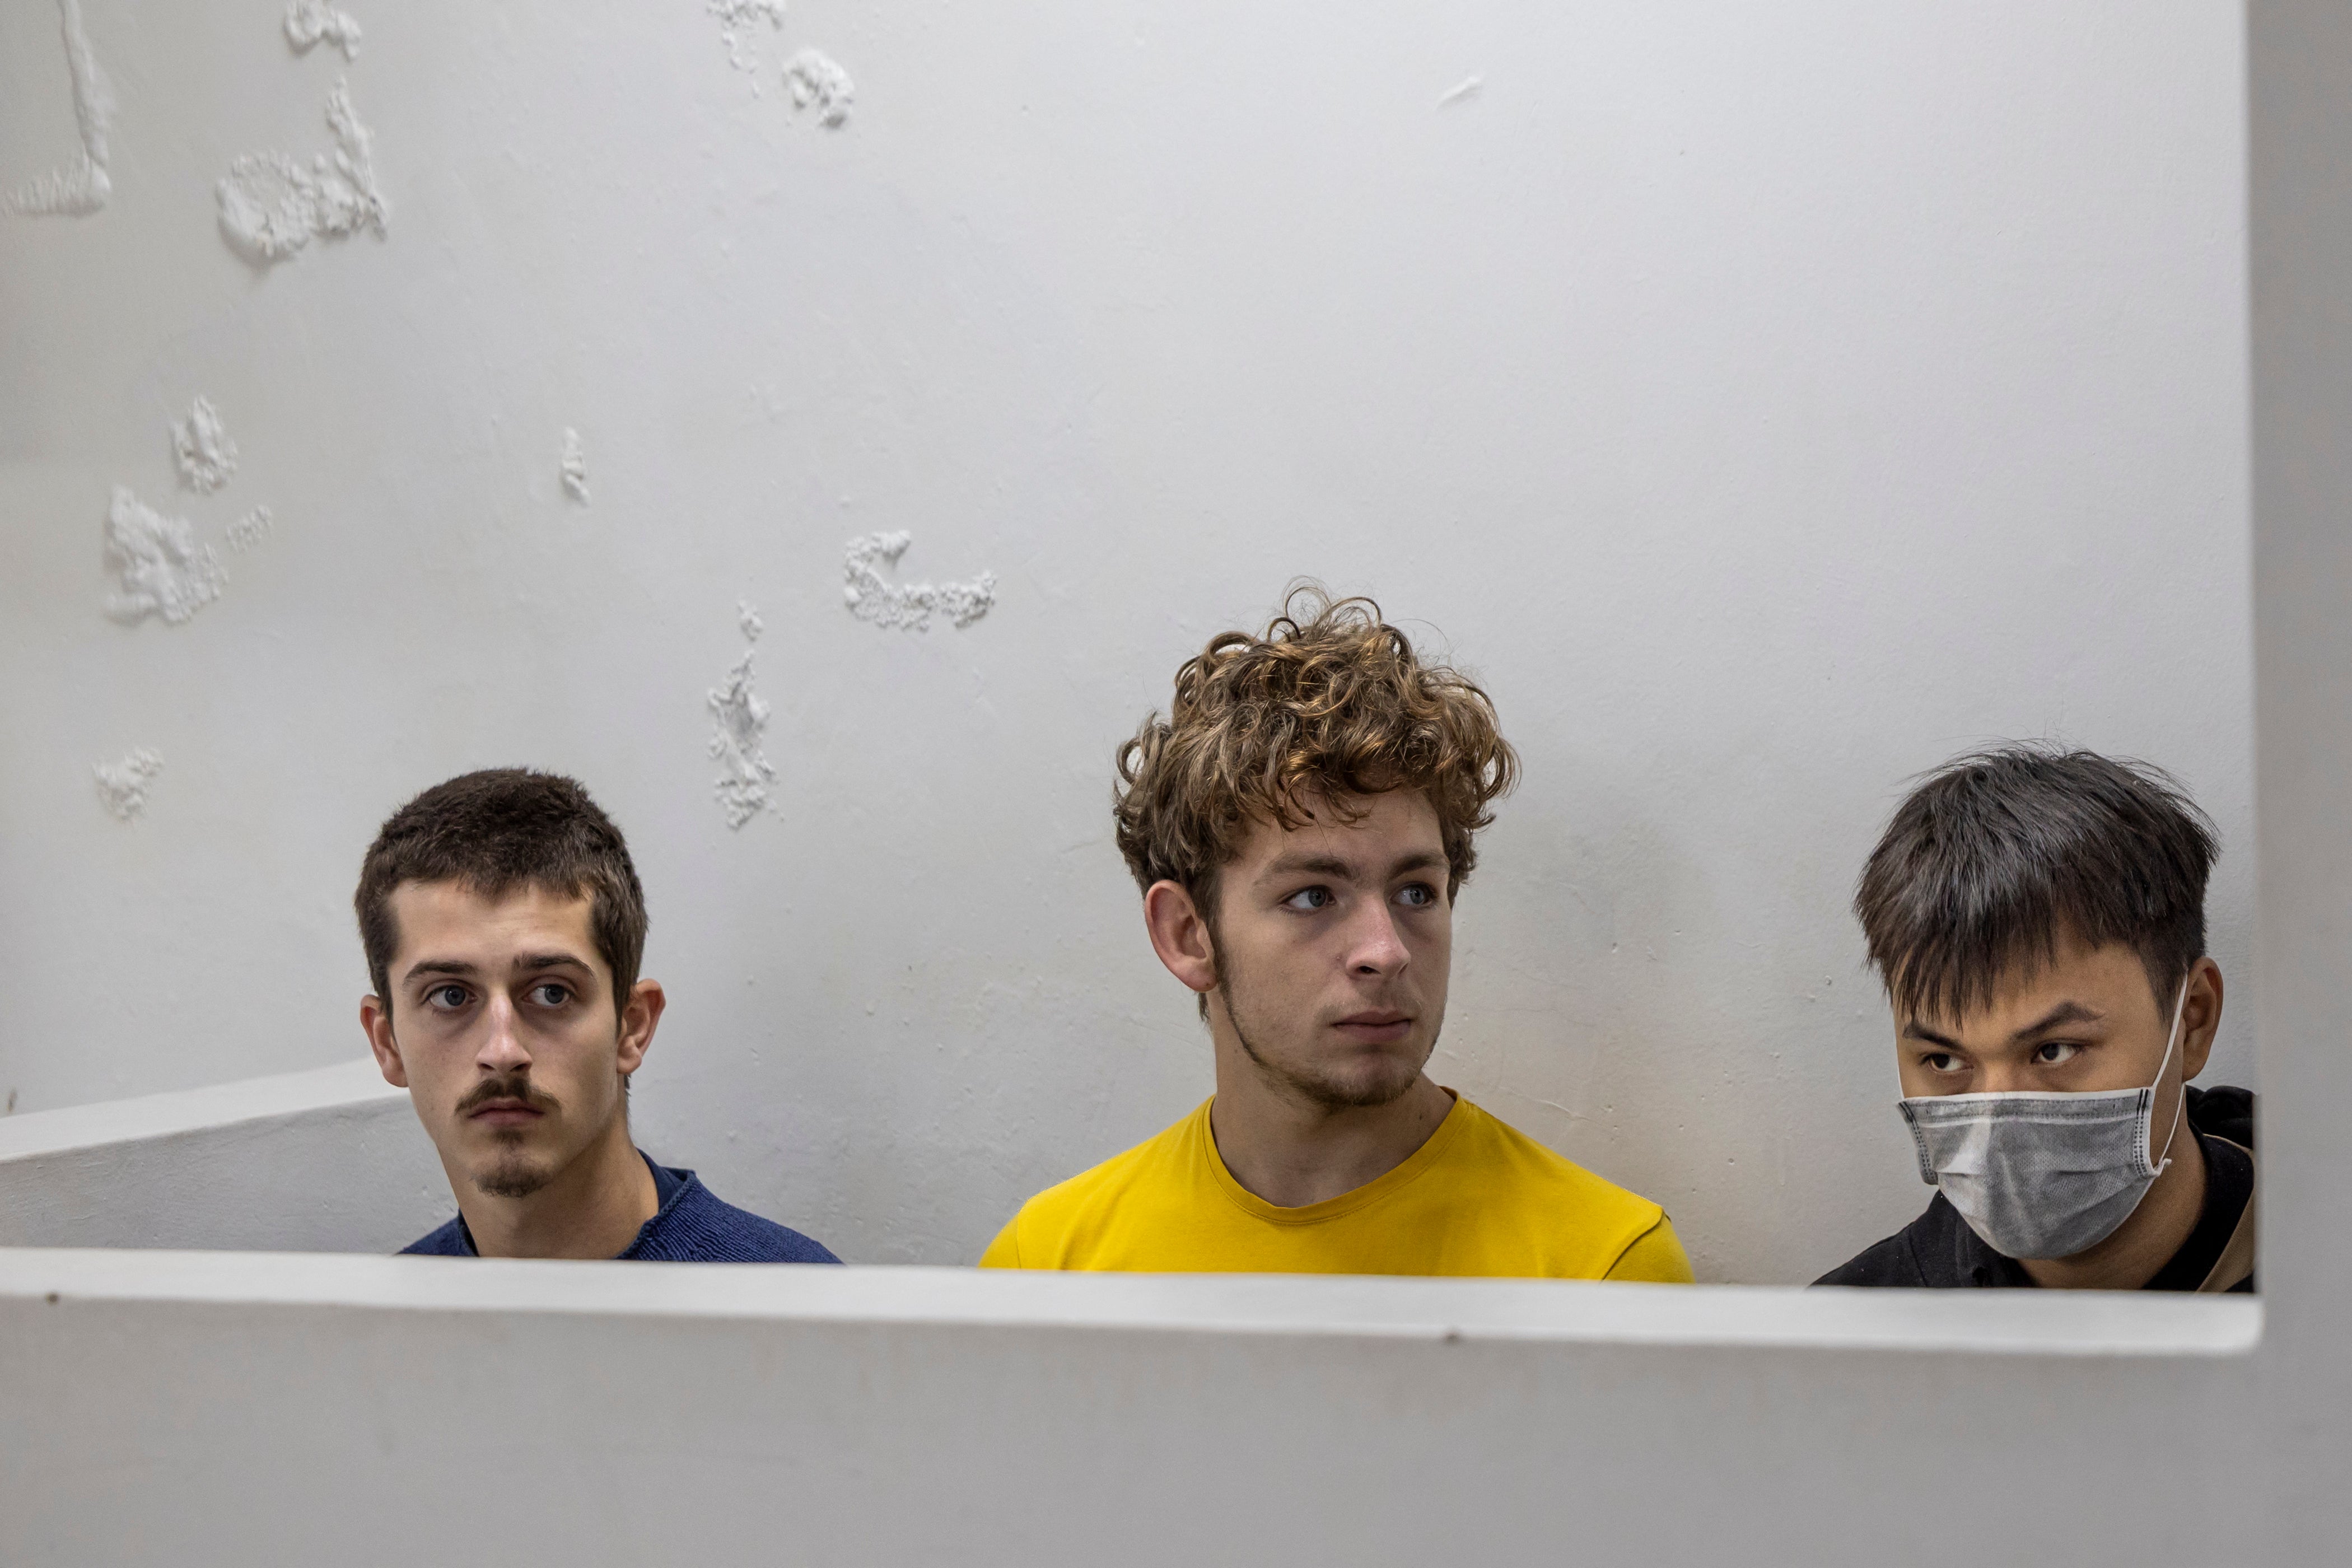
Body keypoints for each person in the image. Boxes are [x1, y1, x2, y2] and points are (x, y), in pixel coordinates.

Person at [981, 590, 1693, 1281]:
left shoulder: (1600, 1267)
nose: (1387, 952)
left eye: (1416, 892)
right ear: (1189, 935)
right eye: (1313, 896)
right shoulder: (1049, 1265)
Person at [1817, 746, 2254, 1291]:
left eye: (2054, 1050)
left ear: (2192, 1020)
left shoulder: (2330, 1271)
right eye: (1944, 1060)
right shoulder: (1851, 1327)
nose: (1996, 1128)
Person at [357, 768, 838, 1263]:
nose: (502, 1052)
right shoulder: (372, 1312)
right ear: (387, 1044)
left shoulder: (798, 1297)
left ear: (632, 1026)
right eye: (450, 997)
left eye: (551, 993)